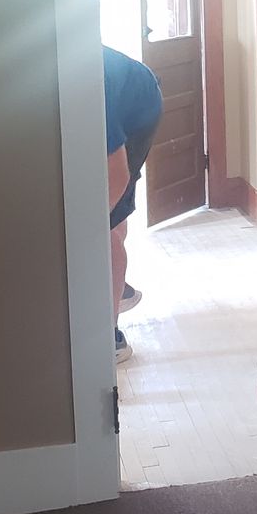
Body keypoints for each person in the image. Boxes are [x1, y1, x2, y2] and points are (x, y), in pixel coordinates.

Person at [103, 45, 164, 363]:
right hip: (120, 93)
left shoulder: (89, 86)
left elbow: (116, 174)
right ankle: (117, 289)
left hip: (141, 107)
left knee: (105, 225)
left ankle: (109, 335)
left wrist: (89, 229)